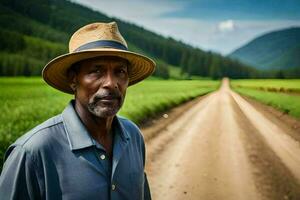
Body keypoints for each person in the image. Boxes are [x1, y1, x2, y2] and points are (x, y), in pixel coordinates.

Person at [0, 21, 155, 200]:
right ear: (73, 80)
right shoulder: (33, 152)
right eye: (97, 71)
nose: (111, 83)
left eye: (120, 72)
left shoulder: (133, 136)